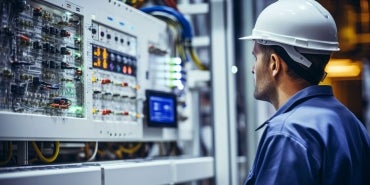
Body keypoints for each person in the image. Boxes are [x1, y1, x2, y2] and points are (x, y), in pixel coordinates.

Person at [239, 0, 370, 184]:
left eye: (256, 57)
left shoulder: (287, 132)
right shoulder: (350, 123)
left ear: (274, 64)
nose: (253, 68)